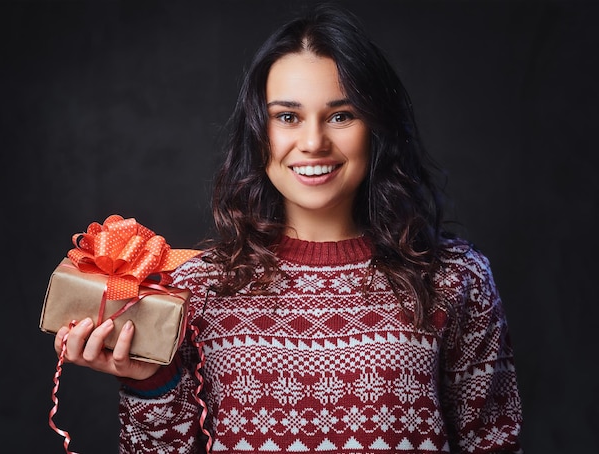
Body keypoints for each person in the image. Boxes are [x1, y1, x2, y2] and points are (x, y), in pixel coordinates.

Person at [55, 4, 523, 453]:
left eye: (342, 115)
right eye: (287, 117)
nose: (314, 141)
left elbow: (495, 444)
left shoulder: (455, 278)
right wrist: (149, 382)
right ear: (258, 133)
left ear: (375, 127)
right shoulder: (197, 288)